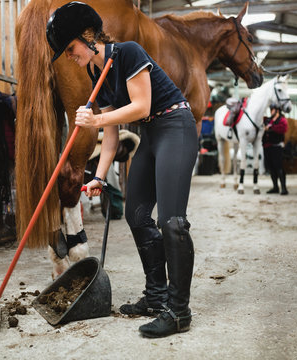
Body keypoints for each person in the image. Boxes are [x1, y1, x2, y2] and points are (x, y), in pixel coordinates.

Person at [46, 2, 197, 338]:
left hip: (176, 126)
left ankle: (178, 311)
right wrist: (99, 176)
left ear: (88, 36)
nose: (69, 56)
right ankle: (157, 297)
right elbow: (111, 136)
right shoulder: (94, 72)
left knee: (171, 222)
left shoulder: (128, 52)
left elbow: (141, 106)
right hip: (153, 135)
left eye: (70, 48)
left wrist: (94, 119)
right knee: (136, 215)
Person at [262, 104, 289, 195]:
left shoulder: (282, 120)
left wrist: (270, 128)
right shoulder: (268, 120)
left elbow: (282, 129)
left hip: (277, 146)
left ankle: (284, 188)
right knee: (271, 168)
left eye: (272, 110)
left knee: (279, 167)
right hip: (267, 146)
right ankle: (275, 187)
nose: (271, 111)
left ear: (277, 110)